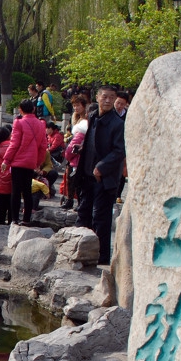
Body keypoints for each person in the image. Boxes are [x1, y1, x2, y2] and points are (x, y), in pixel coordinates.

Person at [76, 85, 126, 264]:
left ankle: (102, 257)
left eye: (111, 97)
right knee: (83, 213)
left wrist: (102, 167)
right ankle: (82, 252)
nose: (107, 100)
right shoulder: (92, 117)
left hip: (105, 178)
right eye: (104, 96)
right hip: (87, 174)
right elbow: (93, 142)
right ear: (97, 97)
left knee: (100, 218)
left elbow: (119, 151)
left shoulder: (117, 123)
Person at [0, 98, 48, 224]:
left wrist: (6, 160)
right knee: (27, 191)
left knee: (16, 191)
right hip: (31, 162)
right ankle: (26, 219)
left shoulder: (18, 123)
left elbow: (14, 143)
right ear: (33, 109)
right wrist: (38, 162)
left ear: (20, 110)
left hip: (18, 161)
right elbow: (43, 146)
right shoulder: (41, 124)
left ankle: (14, 219)